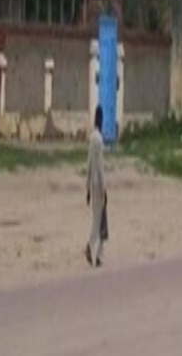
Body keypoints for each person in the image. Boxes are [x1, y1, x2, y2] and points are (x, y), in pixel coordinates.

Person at [85, 104, 107, 267]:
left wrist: (87, 187)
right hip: (99, 185)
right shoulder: (99, 140)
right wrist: (104, 189)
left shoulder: (92, 138)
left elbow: (89, 164)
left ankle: (99, 255)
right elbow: (100, 167)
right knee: (99, 221)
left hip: (92, 184)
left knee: (100, 219)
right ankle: (90, 247)